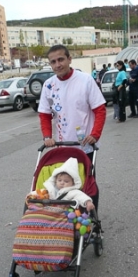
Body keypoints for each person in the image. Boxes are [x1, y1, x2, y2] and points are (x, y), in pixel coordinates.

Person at [38, 44, 106, 208]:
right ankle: (69, 218)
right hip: (62, 146)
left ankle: (91, 216)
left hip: (85, 145)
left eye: (61, 59)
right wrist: (47, 137)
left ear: (69, 59)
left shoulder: (85, 80)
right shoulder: (48, 85)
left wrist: (95, 134)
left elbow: (100, 110)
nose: (57, 65)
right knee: (63, 184)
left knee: (87, 183)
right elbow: (44, 114)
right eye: (53, 62)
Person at [28, 157, 95, 212]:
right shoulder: (50, 189)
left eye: (66, 181)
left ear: (73, 183)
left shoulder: (72, 192)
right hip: (48, 212)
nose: (62, 183)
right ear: (55, 180)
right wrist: (31, 194)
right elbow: (40, 192)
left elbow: (81, 196)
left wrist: (88, 202)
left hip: (64, 213)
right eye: (59, 180)